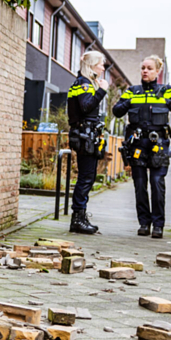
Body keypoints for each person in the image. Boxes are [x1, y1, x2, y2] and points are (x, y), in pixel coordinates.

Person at [112, 56, 171, 239]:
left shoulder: (166, 90)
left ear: (157, 71)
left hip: (158, 145)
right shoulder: (132, 91)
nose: (145, 71)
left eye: (149, 68)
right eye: (143, 68)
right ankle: (144, 223)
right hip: (137, 144)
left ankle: (158, 225)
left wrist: (166, 101)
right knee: (139, 185)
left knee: (157, 184)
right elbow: (117, 110)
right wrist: (128, 102)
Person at [66, 50, 109, 234]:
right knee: (85, 178)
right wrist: (102, 91)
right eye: (101, 64)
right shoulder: (84, 83)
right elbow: (85, 107)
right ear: (92, 65)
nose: (103, 68)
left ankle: (80, 217)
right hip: (84, 135)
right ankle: (78, 219)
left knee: (88, 177)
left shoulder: (86, 82)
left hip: (87, 135)